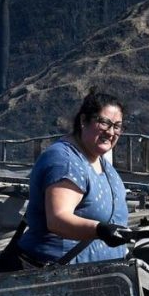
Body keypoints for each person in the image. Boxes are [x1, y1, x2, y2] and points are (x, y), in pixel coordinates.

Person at [17, 88, 132, 265]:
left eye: (117, 126)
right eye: (104, 123)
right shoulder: (65, 161)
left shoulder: (102, 163)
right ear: (83, 120)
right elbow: (58, 220)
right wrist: (100, 230)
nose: (110, 132)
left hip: (99, 277)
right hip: (58, 277)